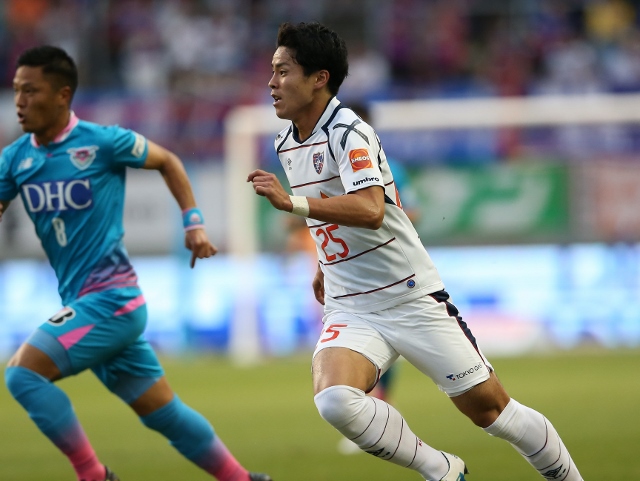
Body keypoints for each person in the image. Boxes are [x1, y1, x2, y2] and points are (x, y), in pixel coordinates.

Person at [248, 21, 583, 481]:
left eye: (283, 71)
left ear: (319, 78)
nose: (271, 82)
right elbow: (328, 209)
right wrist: (326, 262)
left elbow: (371, 210)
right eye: (273, 70)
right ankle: (441, 469)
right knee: (335, 399)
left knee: (493, 412)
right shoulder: (287, 142)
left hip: (408, 296)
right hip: (351, 304)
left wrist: (292, 203)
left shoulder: (350, 133)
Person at [0, 46, 271, 481]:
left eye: (30, 91)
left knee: (22, 375)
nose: (20, 101)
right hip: (85, 304)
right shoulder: (16, 159)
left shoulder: (103, 142)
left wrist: (194, 223)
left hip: (112, 301)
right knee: (164, 413)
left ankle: (93, 475)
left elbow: (168, 161)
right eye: (16, 90)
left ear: (63, 95)